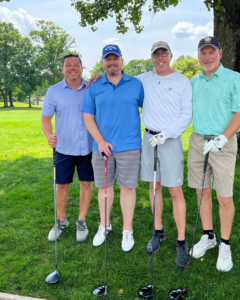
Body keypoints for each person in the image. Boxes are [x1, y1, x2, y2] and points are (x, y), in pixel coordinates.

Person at [87, 41, 192, 267]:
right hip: (148, 139)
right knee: (154, 187)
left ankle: (181, 241)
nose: (160, 58)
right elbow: (114, 79)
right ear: (152, 57)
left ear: (170, 55)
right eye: (156, 54)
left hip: (169, 139)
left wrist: (168, 133)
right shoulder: (144, 79)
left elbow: (186, 115)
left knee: (174, 189)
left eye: (164, 54)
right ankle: (158, 231)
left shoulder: (182, 82)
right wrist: (95, 76)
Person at [188, 36, 240, 272]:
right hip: (197, 142)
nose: (207, 57)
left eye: (211, 52)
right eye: (203, 53)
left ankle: (225, 244)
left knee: (224, 197)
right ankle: (208, 235)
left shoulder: (234, 78)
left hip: (223, 144)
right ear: (198, 55)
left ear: (220, 54)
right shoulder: (193, 81)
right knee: (201, 192)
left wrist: (222, 138)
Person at [81, 44, 144, 252]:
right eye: (108, 59)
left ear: (122, 60)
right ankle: (105, 225)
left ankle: (127, 230)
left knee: (127, 187)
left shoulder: (136, 84)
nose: (112, 62)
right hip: (101, 147)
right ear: (103, 63)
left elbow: (150, 110)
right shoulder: (95, 86)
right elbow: (88, 117)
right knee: (104, 188)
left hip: (130, 146)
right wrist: (99, 141)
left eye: (115, 58)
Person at [41, 54, 94, 243]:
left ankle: (81, 220)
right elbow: (46, 118)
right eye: (68, 65)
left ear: (81, 67)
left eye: (76, 64)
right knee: (61, 185)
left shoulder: (91, 87)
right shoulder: (54, 91)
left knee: (86, 184)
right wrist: (49, 135)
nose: (73, 68)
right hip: (63, 148)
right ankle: (61, 221)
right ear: (62, 69)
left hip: (88, 147)